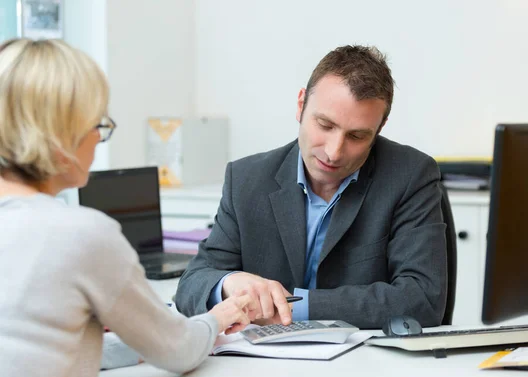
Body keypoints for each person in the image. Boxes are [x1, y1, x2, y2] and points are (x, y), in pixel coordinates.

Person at [0, 38, 258, 377]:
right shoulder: (78, 234)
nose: (98, 139)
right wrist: (219, 316)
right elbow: (178, 350)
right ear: (62, 133)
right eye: (97, 125)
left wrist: (140, 338)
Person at [176, 45, 447, 329]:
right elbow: (191, 286)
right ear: (300, 104)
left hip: (364, 365)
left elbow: (423, 300)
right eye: (325, 125)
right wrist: (229, 283)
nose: (334, 152)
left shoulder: (410, 175)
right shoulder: (246, 179)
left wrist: (295, 306)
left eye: (356, 136)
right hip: (259, 366)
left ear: (379, 129)